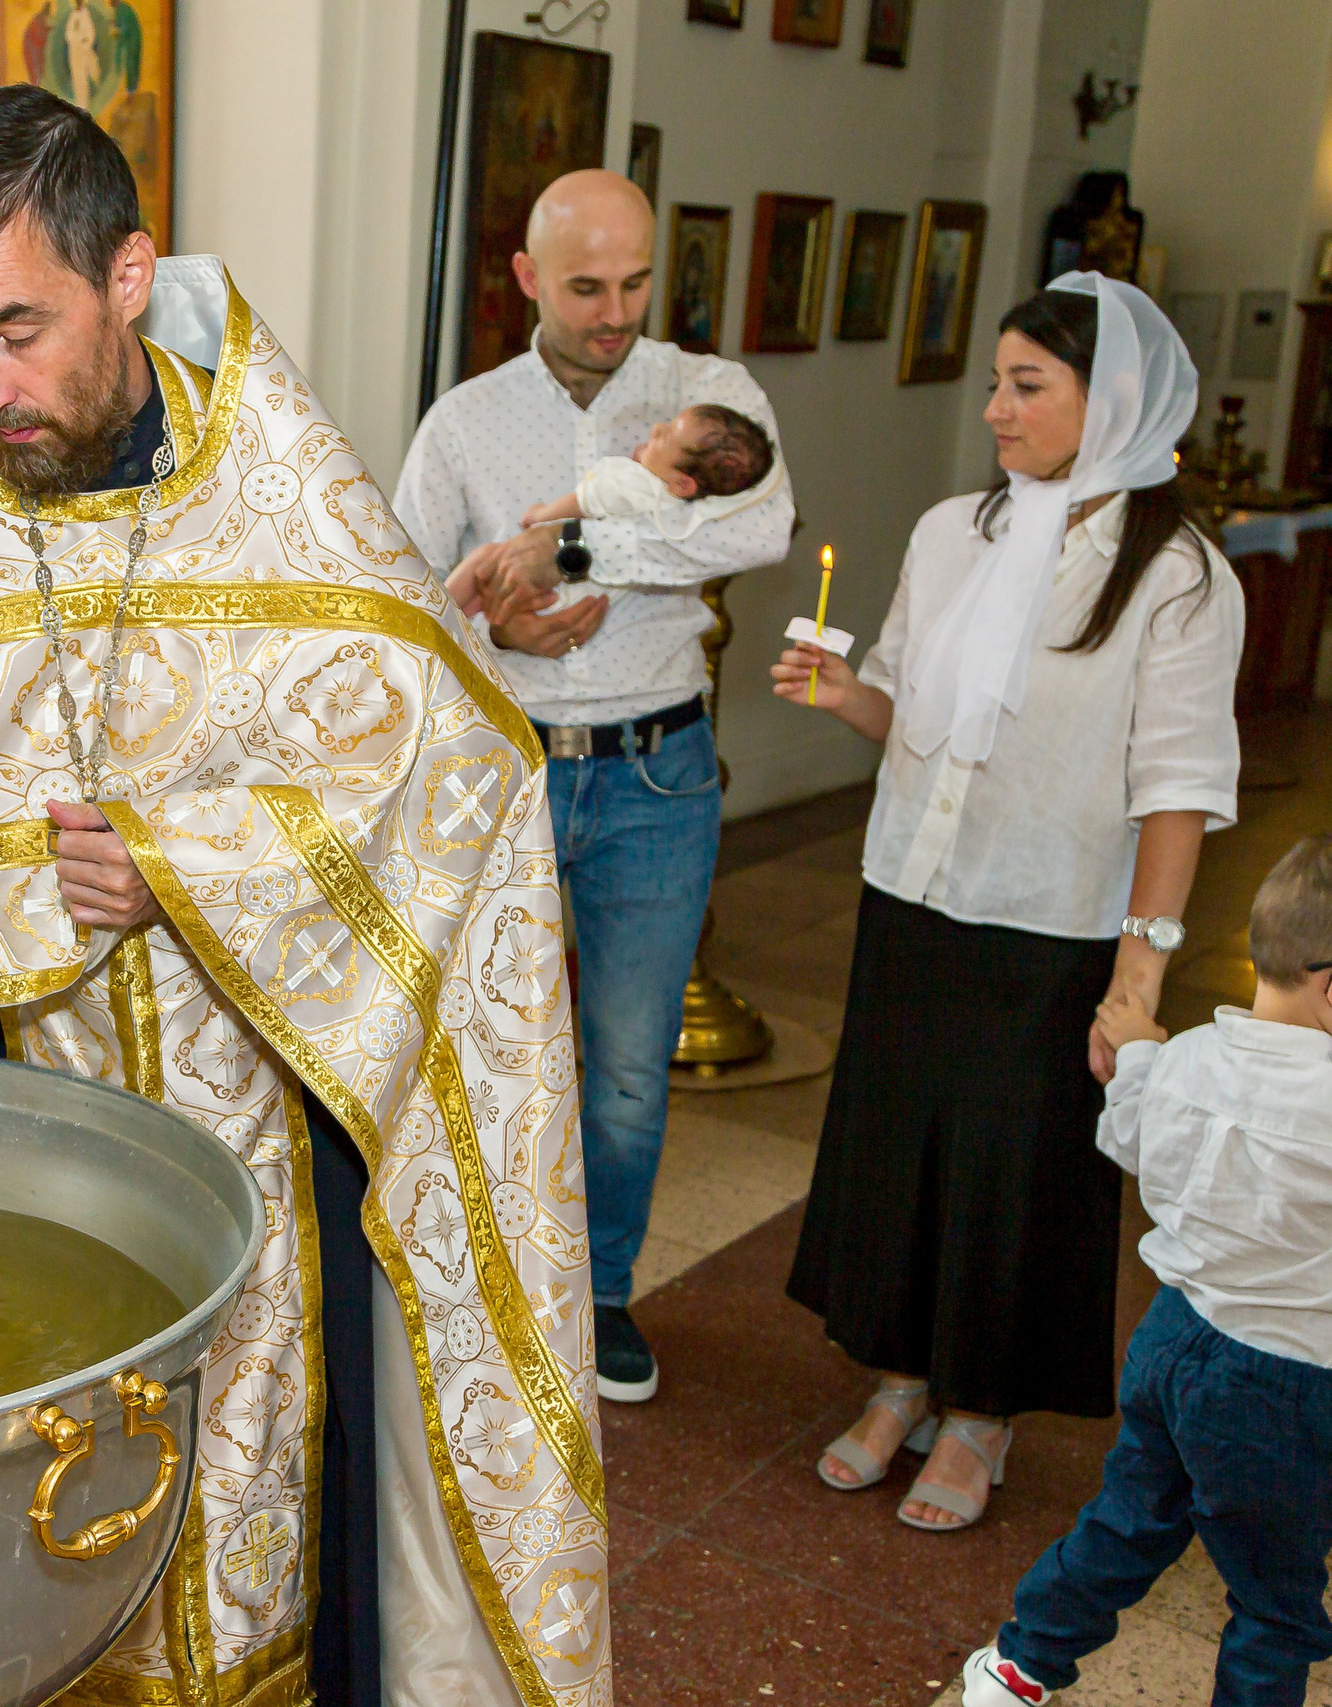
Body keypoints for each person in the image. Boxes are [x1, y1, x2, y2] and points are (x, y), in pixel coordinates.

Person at [0, 84, 607, 1707]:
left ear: (132, 275)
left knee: (272, 1524)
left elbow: (458, 780)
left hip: (270, 1132)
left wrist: (197, 864)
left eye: (14, 330)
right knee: (43, 1531)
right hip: (36, 1108)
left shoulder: (276, 493)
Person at [775, 274, 1240, 1533]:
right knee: (903, 1151)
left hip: (1052, 922)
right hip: (914, 893)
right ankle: (900, 1380)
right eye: (996, 380)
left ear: (1115, 400)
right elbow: (904, 712)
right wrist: (840, 696)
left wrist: (1139, 973)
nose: (993, 408)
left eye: (1026, 385)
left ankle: (980, 1417)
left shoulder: (1181, 581)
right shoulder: (951, 533)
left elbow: (1179, 790)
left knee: (1010, 1171)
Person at [394, 169, 797, 1405]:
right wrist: (501, 637)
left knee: (624, 1067)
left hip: (651, 774)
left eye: (633, 281)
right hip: (506, 773)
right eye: (584, 287)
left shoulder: (706, 394)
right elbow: (409, 600)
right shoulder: (465, 420)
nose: (616, 310)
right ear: (525, 279)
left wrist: (563, 545)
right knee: (482, 1046)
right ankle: (474, 1278)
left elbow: (752, 532)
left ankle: (601, 1293)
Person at [962, 829, 1332, 1706]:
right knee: (1275, 1600)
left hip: (1171, 1342)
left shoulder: (1190, 1058)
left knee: (1130, 1519)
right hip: (1285, 1384)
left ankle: (1022, 1663)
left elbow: (1126, 1126)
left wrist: (1135, 1044)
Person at [520, 402, 779, 534]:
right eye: (668, 424)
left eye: (664, 437)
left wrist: (541, 515)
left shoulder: (636, 487)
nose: (656, 428)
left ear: (682, 484)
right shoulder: (667, 496)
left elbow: (586, 500)